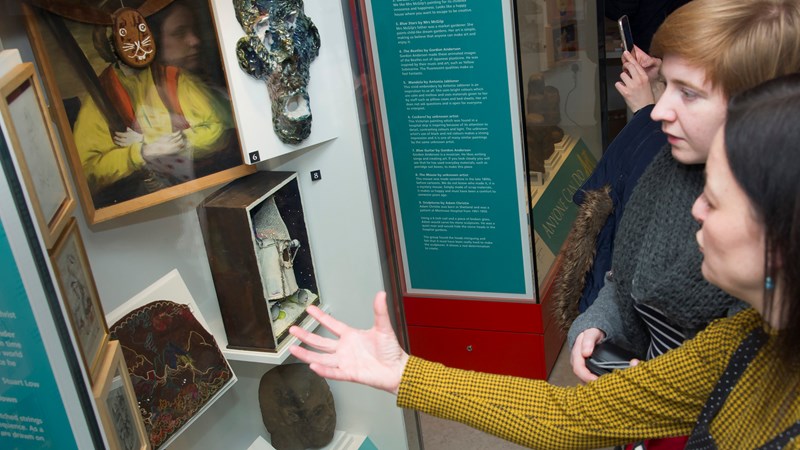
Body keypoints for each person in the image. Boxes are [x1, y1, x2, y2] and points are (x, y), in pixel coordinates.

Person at [287, 73, 800, 448]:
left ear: (780, 231)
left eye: (715, 199)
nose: (694, 210)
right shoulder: (744, 340)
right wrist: (404, 374)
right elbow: (567, 416)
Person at [565, 0, 800, 389]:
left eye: (688, 93)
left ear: (759, 106)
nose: (658, 112)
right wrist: (595, 326)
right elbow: (623, 279)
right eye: (666, 84)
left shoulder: (773, 224)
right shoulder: (668, 167)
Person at [73, 0, 240, 207]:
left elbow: (218, 128)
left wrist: (155, 141)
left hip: (205, 189)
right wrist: (140, 153)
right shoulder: (99, 98)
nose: (136, 43)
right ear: (110, 45)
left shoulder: (175, 78)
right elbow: (87, 172)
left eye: (141, 31)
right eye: (126, 36)